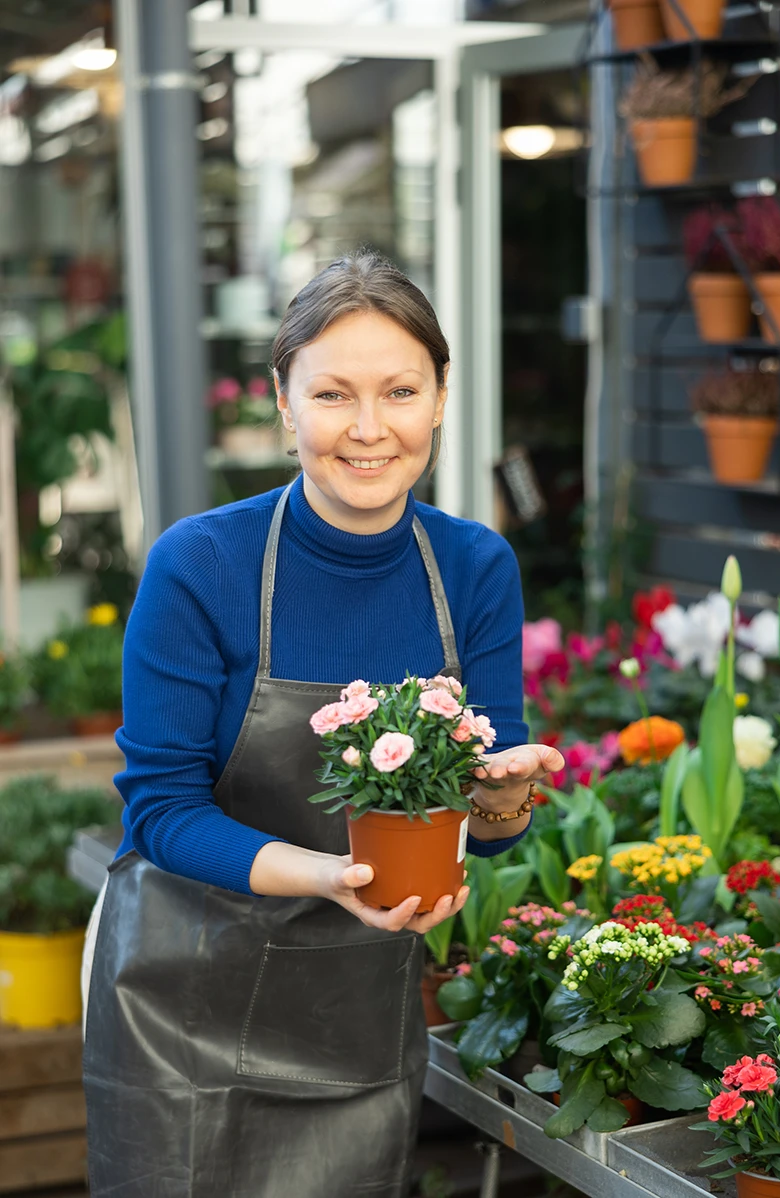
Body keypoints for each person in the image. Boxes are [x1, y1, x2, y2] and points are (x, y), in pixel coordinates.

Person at [82, 251, 564, 1198]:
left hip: (353, 1010)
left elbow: (489, 829)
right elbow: (160, 810)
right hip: (179, 1007)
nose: (370, 429)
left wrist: (504, 800)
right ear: (284, 401)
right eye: (334, 394)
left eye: (400, 391)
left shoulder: (474, 569)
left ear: (440, 397)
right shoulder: (201, 564)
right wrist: (326, 876)